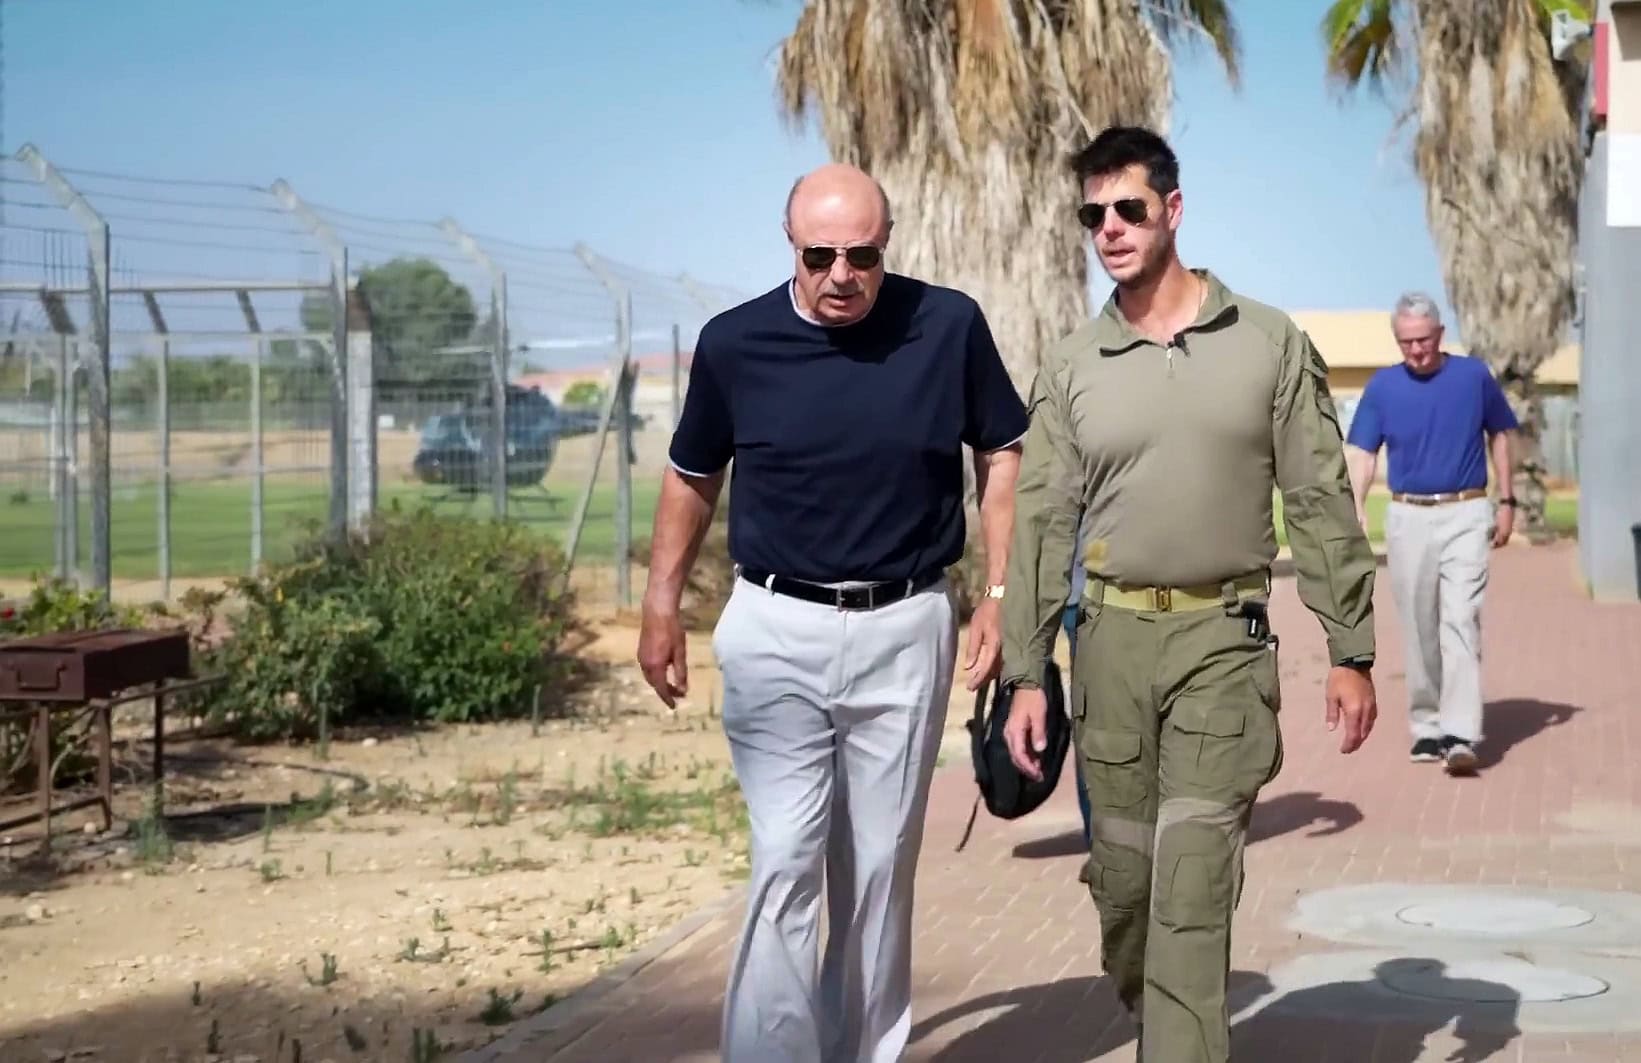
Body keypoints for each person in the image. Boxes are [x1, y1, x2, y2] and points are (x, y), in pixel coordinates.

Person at [996, 125, 1380, 1063]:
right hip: (1110, 649)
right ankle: (1163, 1013)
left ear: (1172, 209)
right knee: (1126, 892)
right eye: (1093, 215)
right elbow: (1041, 519)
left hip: (1224, 641)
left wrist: (1349, 649)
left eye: (1127, 208)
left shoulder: (1266, 340)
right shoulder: (1074, 363)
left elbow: (1320, 497)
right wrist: (1025, 671)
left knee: (1193, 892)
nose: (1109, 229)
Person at [636, 162, 1027, 1063]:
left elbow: (1001, 452)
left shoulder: (947, 324)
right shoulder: (735, 343)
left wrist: (1001, 593)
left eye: (863, 254)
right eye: (821, 255)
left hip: (906, 624)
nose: (842, 274)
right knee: (785, 856)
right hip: (775, 627)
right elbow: (692, 473)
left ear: (885, 245)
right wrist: (660, 605)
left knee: (878, 870)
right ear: (791, 247)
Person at [1344, 292, 1518, 776]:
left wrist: (1507, 501)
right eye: (1406, 342)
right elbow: (1361, 452)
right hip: (1408, 518)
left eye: (1423, 340)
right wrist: (1355, 507)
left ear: (1440, 334)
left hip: (1466, 511)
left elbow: (1501, 434)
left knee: (1460, 619)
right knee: (1420, 626)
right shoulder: (1383, 387)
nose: (1416, 350)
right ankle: (1427, 726)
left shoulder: (1473, 377)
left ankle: (1461, 733)